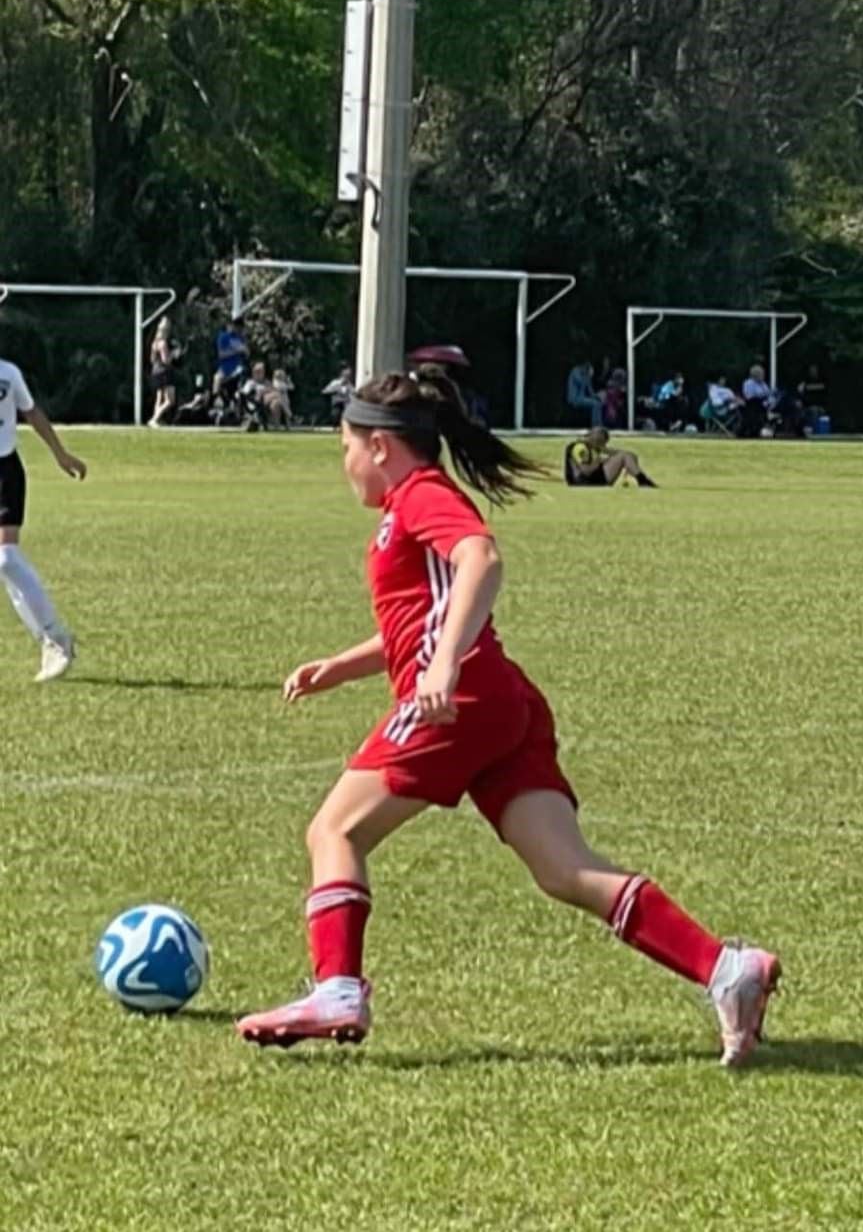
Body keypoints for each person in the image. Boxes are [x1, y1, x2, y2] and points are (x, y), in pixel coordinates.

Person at [236, 368, 779, 1064]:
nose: (342, 463)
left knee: (333, 829)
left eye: (343, 445)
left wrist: (443, 665)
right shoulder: (399, 511)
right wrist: (342, 666)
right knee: (565, 870)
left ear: (379, 445)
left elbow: (480, 558)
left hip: (462, 703)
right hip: (503, 703)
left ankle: (338, 987)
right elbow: (419, 622)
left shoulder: (420, 495)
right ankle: (726, 970)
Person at [0, 356, 87, 681]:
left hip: (5, 472)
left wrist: (61, 455)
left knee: (6, 559)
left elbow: (32, 413)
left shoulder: (8, 373)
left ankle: (56, 637)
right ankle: (48, 641)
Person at [564, 428, 658, 488]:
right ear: (598, 440)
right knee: (624, 456)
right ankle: (643, 481)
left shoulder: (592, 447)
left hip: (590, 479)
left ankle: (642, 480)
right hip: (585, 482)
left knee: (626, 455)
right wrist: (599, 461)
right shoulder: (581, 448)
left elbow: (625, 454)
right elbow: (586, 471)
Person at [148, 317, 181, 428]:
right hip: (164, 372)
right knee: (170, 400)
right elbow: (166, 360)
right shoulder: (162, 343)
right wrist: (175, 354)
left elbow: (152, 359)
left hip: (155, 372)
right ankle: (154, 419)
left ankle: (156, 420)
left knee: (159, 397)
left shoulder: (154, 342)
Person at [213, 319, 248, 397]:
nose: (239, 330)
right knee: (217, 379)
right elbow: (221, 354)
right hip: (226, 368)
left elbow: (246, 353)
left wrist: (245, 350)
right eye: (237, 328)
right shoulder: (224, 336)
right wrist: (236, 351)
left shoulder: (240, 338)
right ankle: (216, 399)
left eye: (240, 328)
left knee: (241, 385)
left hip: (238, 367)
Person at [566, 361, 604, 428]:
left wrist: (598, 396)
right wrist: (587, 376)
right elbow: (579, 381)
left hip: (581, 398)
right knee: (595, 404)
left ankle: (598, 425)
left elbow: (591, 392)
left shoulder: (586, 376)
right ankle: (596, 426)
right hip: (574, 398)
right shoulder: (575, 371)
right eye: (591, 371)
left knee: (598, 403)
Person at [323, 364, 355, 429]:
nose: (346, 378)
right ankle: (335, 426)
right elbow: (325, 391)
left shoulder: (349, 385)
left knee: (346, 415)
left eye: (348, 377)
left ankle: (344, 426)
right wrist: (335, 390)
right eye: (345, 376)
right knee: (335, 414)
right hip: (336, 403)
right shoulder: (335, 383)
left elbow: (353, 393)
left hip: (345, 404)